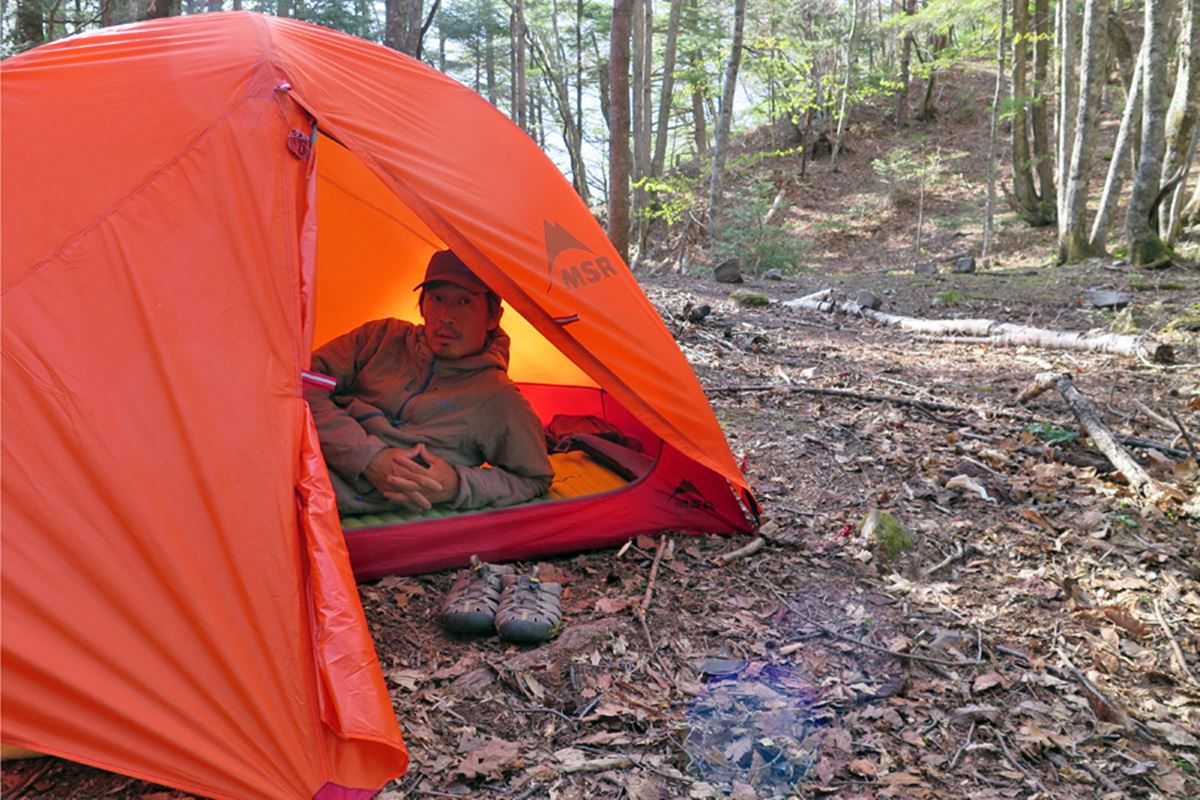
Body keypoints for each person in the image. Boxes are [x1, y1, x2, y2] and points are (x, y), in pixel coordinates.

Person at [306, 250, 554, 515]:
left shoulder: (498, 397)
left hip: (328, 494)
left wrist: (457, 484)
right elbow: (302, 381)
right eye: (437, 299)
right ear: (423, 305)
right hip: (299, 455)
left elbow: (534, 478)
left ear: (493, 317)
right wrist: (368, 457)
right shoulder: (380, 338)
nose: (445, 315)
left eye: (464, 301)